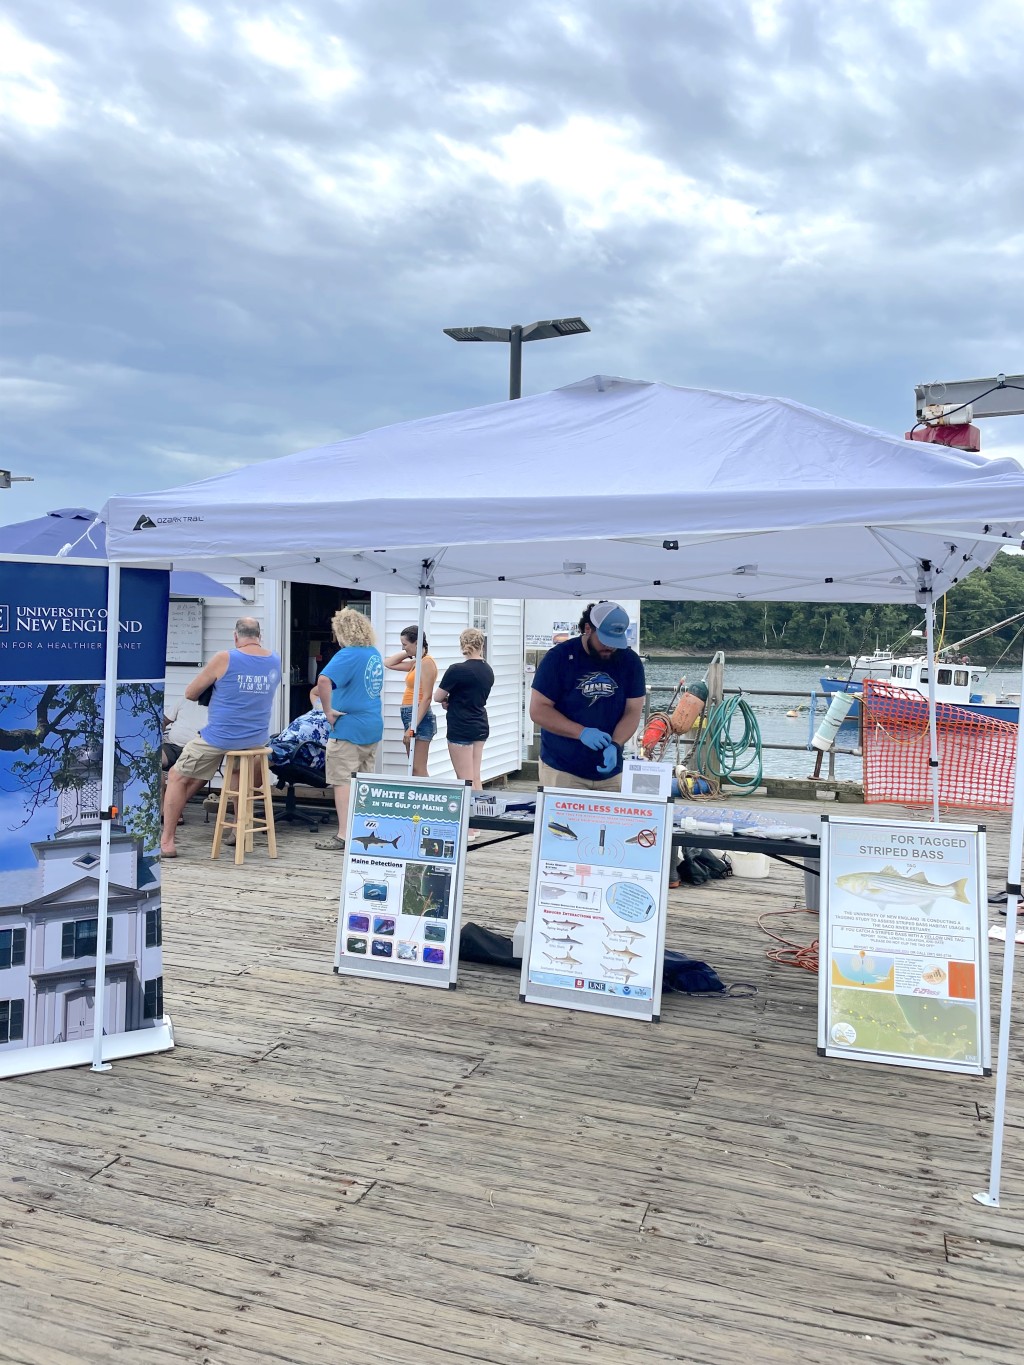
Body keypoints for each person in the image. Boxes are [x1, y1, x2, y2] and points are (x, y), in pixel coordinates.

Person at [160, 617, 282, 856]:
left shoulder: (225, 657)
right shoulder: (274, 660)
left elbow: (191, 693)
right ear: (260, 636)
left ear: (236, 636)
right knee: (236, 775)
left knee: (175, 776)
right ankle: (238, 830)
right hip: (256, 739)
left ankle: (167, 841)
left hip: (221, 736)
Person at [529, 601, 646, 791]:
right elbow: (538, 710)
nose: (610, 647)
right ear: (588, 628)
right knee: (558, 821)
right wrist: (581, 732)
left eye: (615, 642)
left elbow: (633, 711)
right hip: (562, 768)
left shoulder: (629, 662)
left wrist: (616, 745)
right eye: (605, 640)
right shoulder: (558, 658)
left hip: (612, 773)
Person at [314, 608, 384, 852]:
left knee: (343, 781)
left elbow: (323, 680)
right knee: (363, 781)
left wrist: (328, 711)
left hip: (349, 729)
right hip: (372, 724)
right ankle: (364, 830)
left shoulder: (349, 654)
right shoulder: (373, 653)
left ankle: (344, 834)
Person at [434, 627, 494, 791]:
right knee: (475, 777)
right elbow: (473, 695)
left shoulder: (457, 670)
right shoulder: (487, 670)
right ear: (481, 645)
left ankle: (470, 814)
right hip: (480, 724)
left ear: (462, 645)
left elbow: (437, 697)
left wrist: (448, 700)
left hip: (461, 726)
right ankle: (481, 812)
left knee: (465, 780)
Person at [384, 626, 437, 776]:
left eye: (405, 644)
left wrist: (412, 727)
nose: (403, 647)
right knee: (412, 767)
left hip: (419, 716)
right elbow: (388, 663)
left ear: (417, 642)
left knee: (418, 768)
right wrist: (408, 652)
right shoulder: (417, 663)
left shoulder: (427, 663)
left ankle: (428, 798)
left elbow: (427, 697)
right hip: (409, 715)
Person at [268, 687, 331, 777]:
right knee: (255, 756)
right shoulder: (323, 702)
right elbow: (314, 692)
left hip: (307, 750)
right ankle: (248, 791)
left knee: (264, 756)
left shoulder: (347, 710)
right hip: (288, 739)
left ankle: (245, 790)